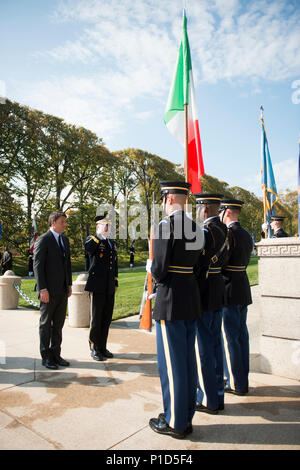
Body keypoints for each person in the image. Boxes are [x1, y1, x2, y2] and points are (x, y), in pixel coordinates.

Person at [148, 181, 204, 439]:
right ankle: (185, 414)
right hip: (191, 297)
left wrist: (152, 268)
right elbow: (199, 268)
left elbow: (159, 269)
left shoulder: (165, 226)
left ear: (169, 199)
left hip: (170, 298)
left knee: (172, 365)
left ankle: (175, 421)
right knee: (187, 361)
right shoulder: (196, 228)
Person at [194, 193, 230, 414]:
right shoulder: (226, 229)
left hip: (204, 292)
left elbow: (197, 265)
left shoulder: (205, 232)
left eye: (197, 208)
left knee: (204, 348)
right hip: (218, 290)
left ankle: (208, 398)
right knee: (216, 345)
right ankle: (217, 393)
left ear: (204, 209)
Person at [219, 199, 253, 395]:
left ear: (227, 212)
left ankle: (235, 383)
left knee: (231, 338)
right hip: (242, 286)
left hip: (229, 289)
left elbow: (221, 262)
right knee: (241, 337)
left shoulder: (228, 235)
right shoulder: (246, 233)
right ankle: (242, 379)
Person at [33, 211, 72, 370]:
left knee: (58, 325)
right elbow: (38, 266)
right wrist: (42, 288)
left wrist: (69, 284)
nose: (64, 224)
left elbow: (67, 264)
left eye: (65, 222)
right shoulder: (44, 239)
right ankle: (46, 356)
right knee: (45, 324)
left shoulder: (64, 240)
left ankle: (56, 353)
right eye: (62, 222)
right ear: (53, 223)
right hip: (47, 291)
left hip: (62, 290)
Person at [84, 213, 118, 361]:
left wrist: (115, 281)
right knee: (96, 318)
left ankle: (103, 346)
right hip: (97, 286)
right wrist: (99, 235)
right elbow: (89, 249)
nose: (108, 227)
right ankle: (94, 347)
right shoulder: (93, 239)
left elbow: (114, 264)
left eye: (109, 225)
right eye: (106, 225)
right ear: (98, 226)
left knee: (106, 318)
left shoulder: (111, 242)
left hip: (109, 285)